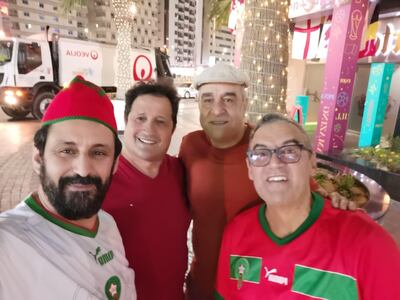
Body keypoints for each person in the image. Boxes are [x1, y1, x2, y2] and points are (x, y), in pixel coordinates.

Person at [179, 63, 353, 299]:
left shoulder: (267, 149)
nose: (217, 110)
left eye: (229, 100)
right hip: (201, 285)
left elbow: (308, 197)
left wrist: (335, 200)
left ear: (245, 104)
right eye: (207, 100)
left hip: (254, 288)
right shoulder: (191, 146)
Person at [215, 113, 400, 299]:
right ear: (250, 169)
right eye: (261, 154)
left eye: (289, 151)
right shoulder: (235, 233)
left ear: (312, 163)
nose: (275, 163)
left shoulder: (368, 244)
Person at [0, 76, 136, 299]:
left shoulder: (108, 225)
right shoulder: (9, 244)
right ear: (38, 158)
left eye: (99, 153)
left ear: (114, 165)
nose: (83, 170)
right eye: (67, 151)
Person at [102, 82, 190, 300]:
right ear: (125, 121)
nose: (149, 129)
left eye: (160, 121)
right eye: (140, 119)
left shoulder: (183, 172)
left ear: (173, 128)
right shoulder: (101, 180)